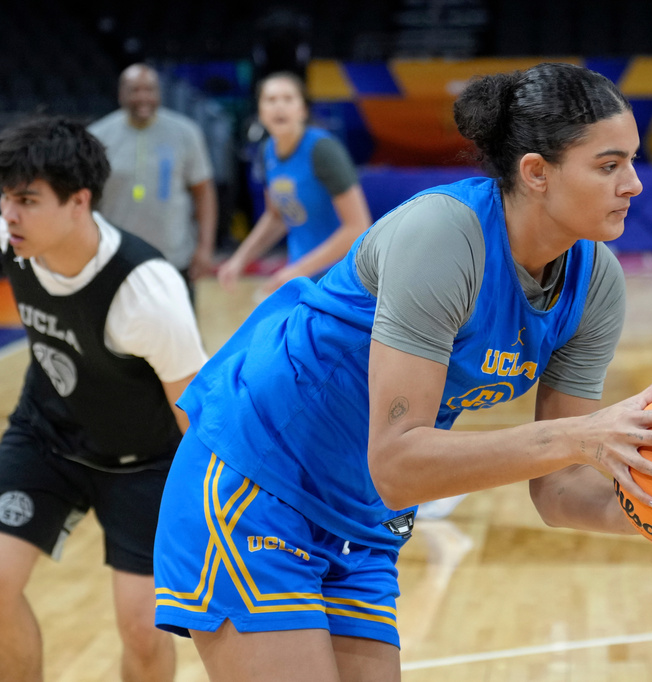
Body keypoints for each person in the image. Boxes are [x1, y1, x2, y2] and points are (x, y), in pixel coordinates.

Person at [153, 62, 652, 681]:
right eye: (608, 165)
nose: (634, 185)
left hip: (361, 513)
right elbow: (399, 463)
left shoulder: (595, 284)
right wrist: (583, 436)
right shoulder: (444, 236)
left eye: (632, 161)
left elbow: (559, 490)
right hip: (257, 481)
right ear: (537, 172)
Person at [0, 117, 208, 681]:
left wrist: (222, 507)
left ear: (79, 201)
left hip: (141, 465)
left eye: (25, 199)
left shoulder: (147, 292)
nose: (10, 214)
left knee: (143, 632)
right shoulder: (11, 242)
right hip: (47, 437)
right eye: (4, 199)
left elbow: (199, 414)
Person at [217, 71, 373, 296]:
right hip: (303, 276)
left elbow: (358, 227)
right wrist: (239, 260)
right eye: (270, 100)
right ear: (260, 112)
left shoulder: (323, 150)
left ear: (303, 109)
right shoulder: (267, 150)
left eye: (288, 99)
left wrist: (297, 270)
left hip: (342, 279)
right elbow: (277, 216)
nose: (279, 107)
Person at [88, 63, 219, 303]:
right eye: (134, 90)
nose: (143, 97)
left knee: (179, 337)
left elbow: (204, 193)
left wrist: (205, 248)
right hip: (115, 260)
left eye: (149, 89)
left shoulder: (186, 132)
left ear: (159, 93)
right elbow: (87, 202)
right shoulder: (98, 136)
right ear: (121, 94)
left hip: (174, 259)